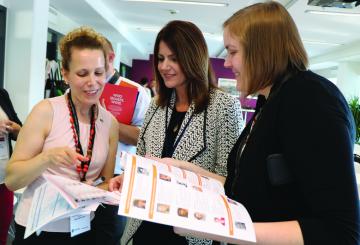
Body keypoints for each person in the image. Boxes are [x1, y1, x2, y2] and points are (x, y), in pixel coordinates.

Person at [117, 2, 360, 245]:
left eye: (233, 52)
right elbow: (237, 185)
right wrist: (178, 168)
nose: (226, 63)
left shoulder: (310, 98)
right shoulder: (270, 101)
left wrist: (222, 229)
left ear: (262, 50)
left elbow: (341, 231)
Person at [112, 20, 244, 245]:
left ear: (193, 58)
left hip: (192, 231)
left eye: (174, 58)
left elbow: (232, 180)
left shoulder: (223, 106)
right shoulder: (157, 104)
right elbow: (144, 158)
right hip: (145, 225)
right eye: (161, 58)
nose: (164, 66)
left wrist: (184, 173)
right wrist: (130, 177)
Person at [5, 26, 119, 244]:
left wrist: (113, 188)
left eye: (98, 72)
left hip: (83, 227)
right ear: (65, 74)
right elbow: (11, 180)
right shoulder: (46, 111)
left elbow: (105, 181)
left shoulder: (109, 123)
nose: (92, 82)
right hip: (38, 230)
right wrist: (47, 158)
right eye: (82, 73)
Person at [91, 38, 151, 245]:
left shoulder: (137, 92)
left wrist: (106, 119)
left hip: (117, 177)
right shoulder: (81, 88)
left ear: (110, 57)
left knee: (109, 234)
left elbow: (143, 137)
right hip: (82, 172)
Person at [0, 88, 22, 245]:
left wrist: (15, 129)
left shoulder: (2, 94)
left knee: (2, 234)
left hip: (4, 179)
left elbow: (20, 130)